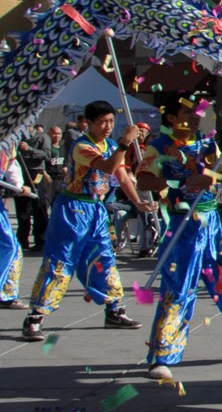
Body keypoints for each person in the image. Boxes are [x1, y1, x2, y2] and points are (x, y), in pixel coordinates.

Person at [138, 95, 222, 379]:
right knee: (179, 288)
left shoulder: (209, 144)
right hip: (183, 225)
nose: (195, 117)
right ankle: (163, 354)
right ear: (171, 117)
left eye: (198, 112)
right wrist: (182, 182)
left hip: (215, 224)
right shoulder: (158, 147)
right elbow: (143, 180)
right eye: (187, 112)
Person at [20, 101, 148, 342]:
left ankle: (114, 310)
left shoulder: (111, 145)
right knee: (61, 260)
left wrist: (138, 202)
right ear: (88, 123)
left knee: (104, 259)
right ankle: (35, 317)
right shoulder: (82, 146)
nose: (108, 126)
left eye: (111, 121)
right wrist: (126, 142)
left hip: (96, 210)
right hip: (72, 209)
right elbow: (109, 167)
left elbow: (121, 176)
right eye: (102, 122)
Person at [0, 149, 29, 307]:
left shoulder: (7, 145)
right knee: (8, 246)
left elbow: (12, 167)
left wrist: (19, 185)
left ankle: (7, 293)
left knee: (12, 248)